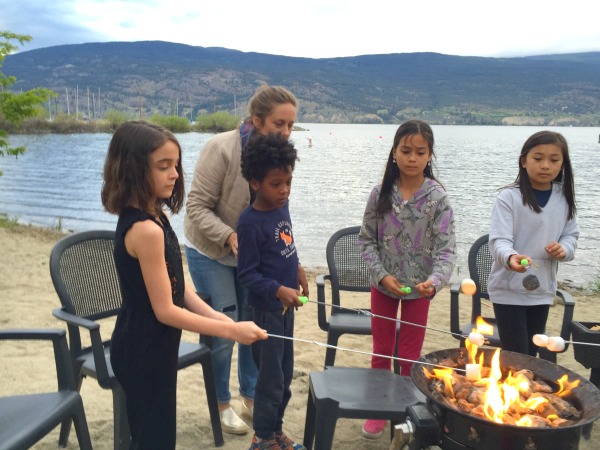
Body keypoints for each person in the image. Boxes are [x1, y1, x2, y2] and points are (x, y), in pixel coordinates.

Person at [101, 120, 267, 449]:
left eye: (175, 164)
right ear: (133, 169)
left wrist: (219, 317)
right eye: (163, 166)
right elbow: (166, 310)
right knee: (154, 438)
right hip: (142, 351)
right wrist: (232, 332)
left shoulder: (156, 215)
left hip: (154, 347)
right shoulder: (145, 230)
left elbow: (178, 287)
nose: (175, 173)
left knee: (155, 434)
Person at [183, 84, 309, 435]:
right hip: (212, 250)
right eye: (278, 124)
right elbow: (194, 207)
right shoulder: (221, 149)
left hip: (255, 254)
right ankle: (221, 402)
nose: (286, 132)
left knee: (254, 328)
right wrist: (230, 235)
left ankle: (251, 397)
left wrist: (293, 261)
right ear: (256, 120)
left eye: (291, 125)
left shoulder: (278, 159)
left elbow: (281, 210)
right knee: (226, 326)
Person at [358, 119, 456, 439]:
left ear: (429, 156)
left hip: (419, 292)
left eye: (420, 152)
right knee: (381, 350)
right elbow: (366, 242)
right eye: (406, 150)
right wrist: (382, 276)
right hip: (383, 287)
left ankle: (404, 410)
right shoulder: (379, 193)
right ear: (394, 152)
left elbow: (446, 250)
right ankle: (376, 409)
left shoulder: (438, 198)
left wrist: (435, 282)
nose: (412, 158)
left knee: (410, 356)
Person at [237, 133, 307, 450]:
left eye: (288, 182)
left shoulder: (283, 206)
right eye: (276, 184)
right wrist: (278, 289)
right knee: (270, 381)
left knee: (286, 374)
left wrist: (299, 269)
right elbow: (247, 275)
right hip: (264, 313)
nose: (284, 191)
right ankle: (262, 438)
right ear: (255, 183)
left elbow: (286, 247)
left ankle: (275, 431)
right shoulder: (250, 223)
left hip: (284, 311)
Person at [488, 130, 579, 356]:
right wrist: (511, 258)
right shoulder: (509, 197)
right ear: (524, 161)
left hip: (542, 290)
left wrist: (563, 249)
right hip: (507, 289)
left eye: (554, 159)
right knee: (516, 354)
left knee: (531, 353)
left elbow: (571, 235)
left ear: (562, 164)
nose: (545, 165)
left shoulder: (563, 198)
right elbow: (499, 240)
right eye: (538, 158)